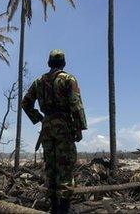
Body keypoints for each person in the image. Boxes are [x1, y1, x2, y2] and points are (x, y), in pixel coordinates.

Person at [22, 49, 87, 214]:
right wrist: (79, 127)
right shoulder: (68, 79)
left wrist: (40, 118)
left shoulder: (39, 81)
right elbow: (76, 105)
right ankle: (63, 210)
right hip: (64, 127)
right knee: (65, 170)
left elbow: (25, 103)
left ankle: (54, 208)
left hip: (47, 128)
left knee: (51, 169)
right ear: (63, 63)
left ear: (49, 63)